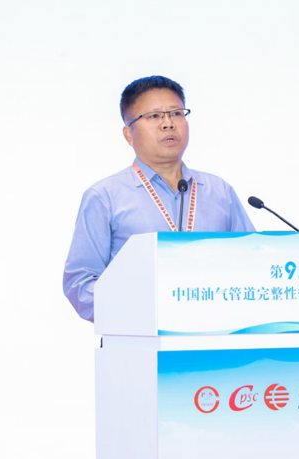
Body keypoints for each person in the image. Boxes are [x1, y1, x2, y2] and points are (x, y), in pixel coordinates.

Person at [63, 75, 255, 321]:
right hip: (140, 336)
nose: (168, 124)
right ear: (129, 134)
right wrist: (140, 308)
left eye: (176, 114)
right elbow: (80, 284)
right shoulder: (105, 197)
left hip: (214, 335)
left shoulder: (220, 192)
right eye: (154, 116)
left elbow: (252, 265)